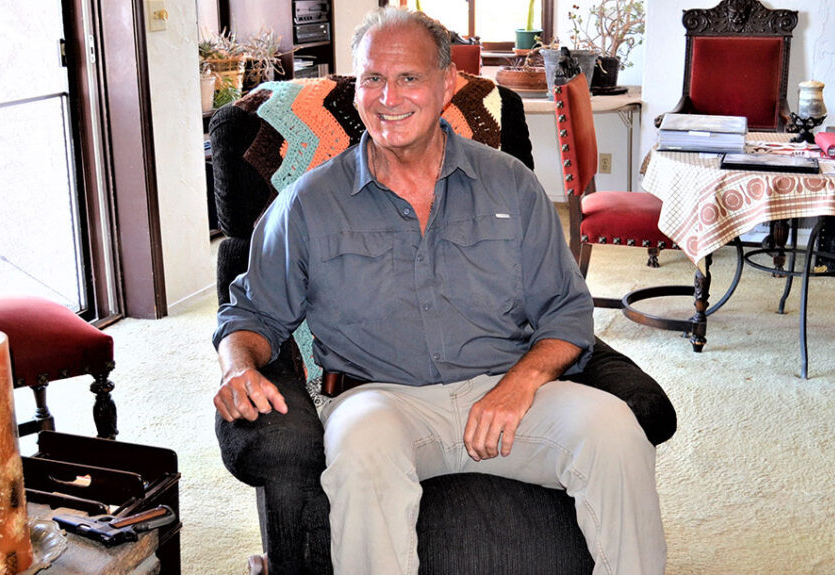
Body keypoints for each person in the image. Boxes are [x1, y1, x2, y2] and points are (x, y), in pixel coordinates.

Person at [213, 7, 666, 575]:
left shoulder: (512, 185)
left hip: (508, 394)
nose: (388, 97)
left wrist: (521, 383)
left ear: (448, 84)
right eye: (372, 79)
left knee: (616, 432)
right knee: (360, 445)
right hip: (380, 399)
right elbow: (252, 312)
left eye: (409, 78)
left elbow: (567, 311)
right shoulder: (308, 203)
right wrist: (238, 367)